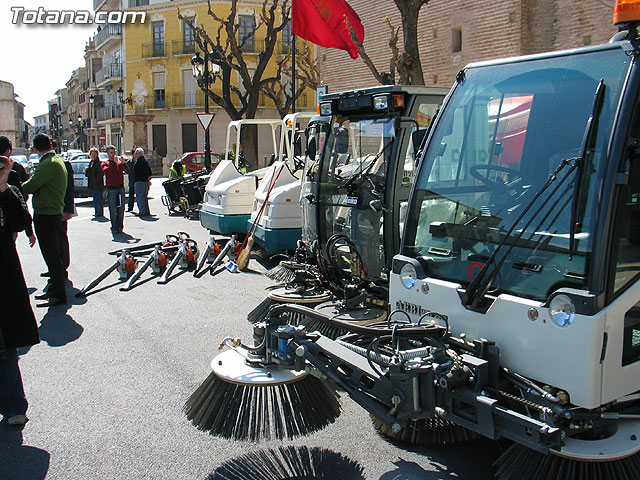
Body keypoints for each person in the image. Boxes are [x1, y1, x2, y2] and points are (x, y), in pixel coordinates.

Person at [0, 155, 40, 426]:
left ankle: (14, 405)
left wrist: (3, 186)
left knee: (4, 348)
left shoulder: (8, 193)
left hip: (3, 279)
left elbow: (21, 221)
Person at [22, 134, 68, 308]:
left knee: (52, 256)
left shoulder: (48, 164)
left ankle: (58, 294)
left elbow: (31, 185)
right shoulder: (54, 160)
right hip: (52, 212)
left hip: (47, 214)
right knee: (53, 255)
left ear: (35, 149)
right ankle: (55, 290)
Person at [0, 136, 35, 247]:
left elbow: (21, 203)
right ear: (8, 151)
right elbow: (22, 202)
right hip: (8, 227)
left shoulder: (14, 172)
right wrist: (29, 232)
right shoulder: (14, 171)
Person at [101, 145, 129, 235]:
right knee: (113, 209)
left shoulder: (119, 163)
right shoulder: (105, 163)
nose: (113, 155)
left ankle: (120, 226)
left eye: (114, 152)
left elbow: (128, 171)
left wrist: (124, 163)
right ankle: (114, 227)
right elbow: (106, 171)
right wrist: (113, 163)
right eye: (111, 153)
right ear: (108, 154)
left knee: (121, 209)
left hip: (120, 188)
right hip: (111, 189)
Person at [132, 147, 152, 216]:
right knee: (144, 197)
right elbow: (149, 171)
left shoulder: (139, 161)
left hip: (140, 181)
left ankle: (142, 211)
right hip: (145, 181)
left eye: (136, 153)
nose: (134, 154)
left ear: (139, 153)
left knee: (140, 197)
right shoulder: (145, 161)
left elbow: (136, 171)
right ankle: (146, 210)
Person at [86, 147, 105, 217]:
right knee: (95, 199)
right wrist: (87, 170)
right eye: (92, 154)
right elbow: (89, 174)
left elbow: (100, 173)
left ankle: (99, 212)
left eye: (94, 154)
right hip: (92, 184)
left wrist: (96, 180)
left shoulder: (99, 163)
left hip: (97, 184)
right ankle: (97, 211)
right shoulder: (91, 162)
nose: (93, 155)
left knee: (99, 198)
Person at [126, 148, 136, 212]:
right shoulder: (129, 162)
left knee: (140, 196)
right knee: (131, 195)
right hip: (132, 180)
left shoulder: (140, 161)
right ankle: (130, 208)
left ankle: (142, 209)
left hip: (138, 181)